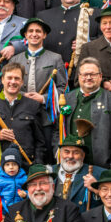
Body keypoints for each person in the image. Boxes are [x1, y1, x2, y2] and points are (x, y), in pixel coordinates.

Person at [8, 17, 68, 159]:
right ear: (26, 35)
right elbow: (6, 85)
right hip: (21, 115)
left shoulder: (55, 58)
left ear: (44, 35)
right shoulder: (15, 60)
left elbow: (63, 88)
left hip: (46, 116)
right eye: (31, 31)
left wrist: (43, 98)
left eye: (38, 31)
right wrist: (22, 96)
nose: (34, 34)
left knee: (46, 151)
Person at [0, 61, 46, 163]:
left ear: (22, 82)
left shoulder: (33, 105)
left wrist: (37, 164)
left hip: (25, 164)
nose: (13, 82)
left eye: (17, 78)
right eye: (9, 78)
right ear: (2, 80)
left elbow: (40, 142)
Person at [63, 57, 111, 168]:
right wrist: (59, 153)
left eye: (93, 74)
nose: (88, 78)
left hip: (102, 166)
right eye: (84, 74)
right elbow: (57, 131)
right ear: (79, 77)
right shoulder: (66, 99)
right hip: (71, 164)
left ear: (100, 76)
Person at [39, 0, 100, 64]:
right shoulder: (44, 16)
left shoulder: (94, 15)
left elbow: (103, 42)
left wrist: (88, 45)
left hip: (80, 70)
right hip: (49, 69)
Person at [53, 134, 98, 212]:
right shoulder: (47, 171)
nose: (70, 156)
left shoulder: (97, 174)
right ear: (60, 153)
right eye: (66, 152)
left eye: (76, 152)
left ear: (83, 155)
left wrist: (97, 190)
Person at [0, 148, 28, 219]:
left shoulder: (24, 178)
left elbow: (31, 193)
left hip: (21, 212)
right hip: (4, 213)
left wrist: (25, 195)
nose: (11, 167)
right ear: (3, 167)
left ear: (19, 166)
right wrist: (1, 202)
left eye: (14, 164)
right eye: (7, 164)